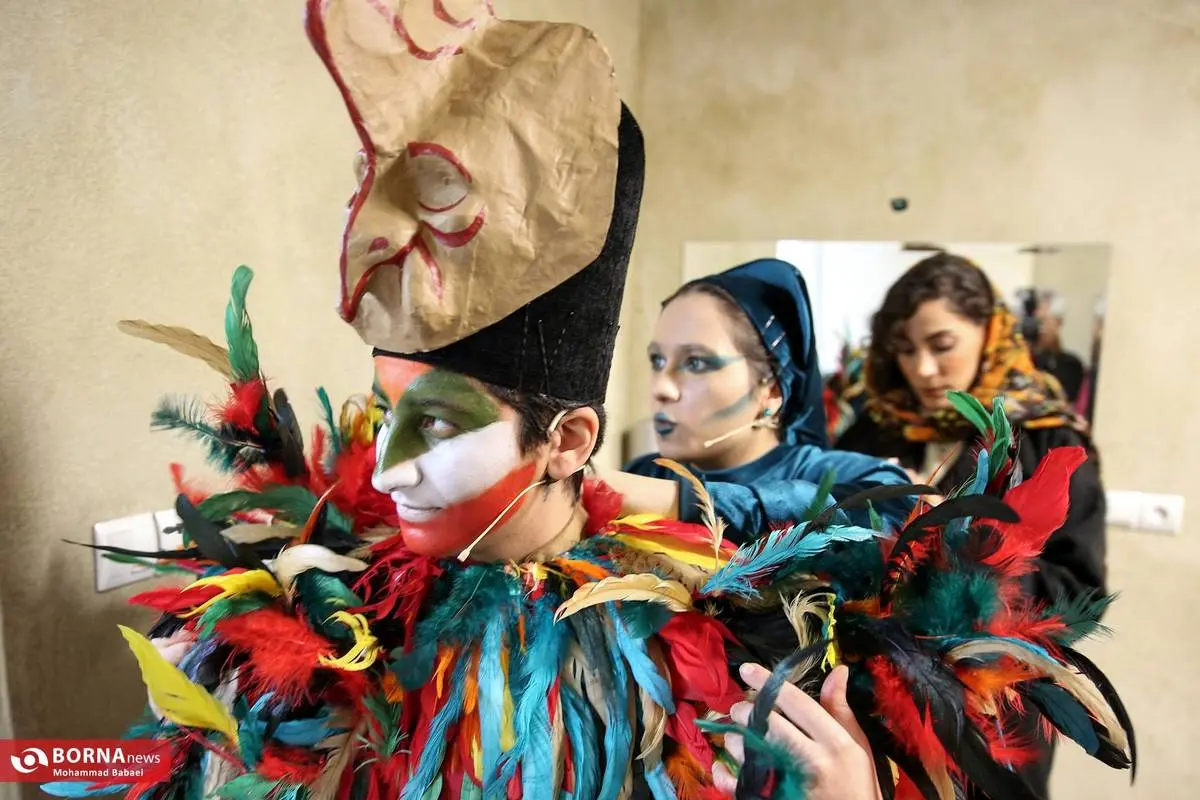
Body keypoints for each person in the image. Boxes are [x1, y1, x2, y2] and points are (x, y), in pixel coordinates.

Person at [47, 5, 1134, 799]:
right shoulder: (336, 601)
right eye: (388, 414)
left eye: (437, 422)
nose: (384, 466)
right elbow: (101, 766)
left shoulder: (720, 645)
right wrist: (197, 727)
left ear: (568, 438)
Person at [836, 252, 1108, 798]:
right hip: (873, 695)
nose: (923, 370)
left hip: (995, 709)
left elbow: (1079, 591)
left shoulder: (1047, 439)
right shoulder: (871, 431)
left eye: (942, 345)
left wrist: (963, 550)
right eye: (905, 350)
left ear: (990, 332)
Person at [608, 259, 913, 538]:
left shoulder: (841, 476)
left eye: (696, 362)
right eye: (658, 360)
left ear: (772, 391)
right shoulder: (647, 471)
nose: (662, 388)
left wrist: (683, 502)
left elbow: (897, 512)